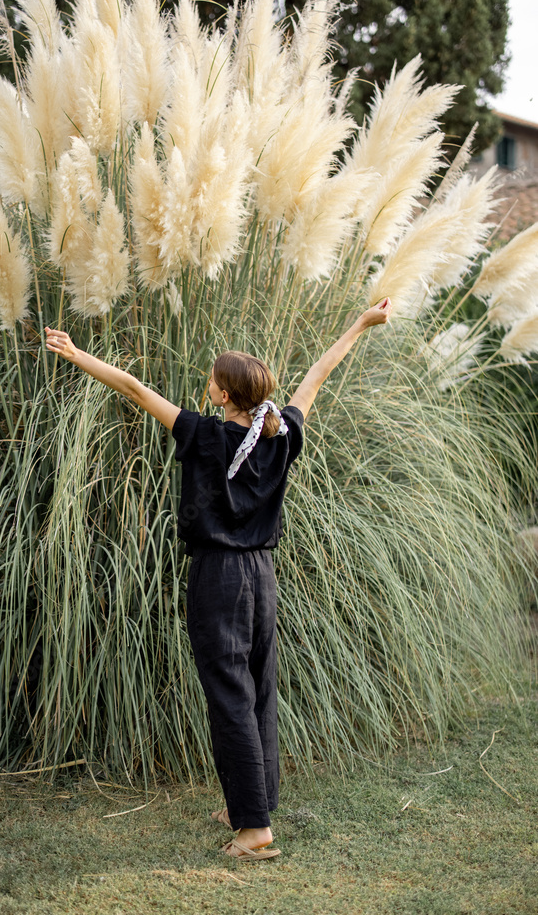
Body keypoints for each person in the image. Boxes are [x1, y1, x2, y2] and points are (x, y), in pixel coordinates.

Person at [44, 295, 392, 862]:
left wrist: (78, 354)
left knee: (229, 692)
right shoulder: (280, 435)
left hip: (220, 576)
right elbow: (316, 376)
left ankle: (254, 831)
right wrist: (360, 323)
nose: (206, 385)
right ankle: (252, 802)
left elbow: (132, 388)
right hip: (262, 574)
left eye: (211, 381)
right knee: (257, 683)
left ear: (225, 394)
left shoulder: (206, 435)